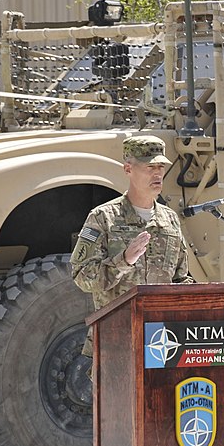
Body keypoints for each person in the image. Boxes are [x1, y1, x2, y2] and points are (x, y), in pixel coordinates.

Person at [71, 135, 195, 358]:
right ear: (128, 169)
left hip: (162, 343)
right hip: (116, 340)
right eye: (150, 167)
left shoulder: (169, 220)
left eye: (161, 167)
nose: (158, 174)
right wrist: (124, 261)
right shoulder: (103, 218)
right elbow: (82, 276)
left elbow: (180, 278)